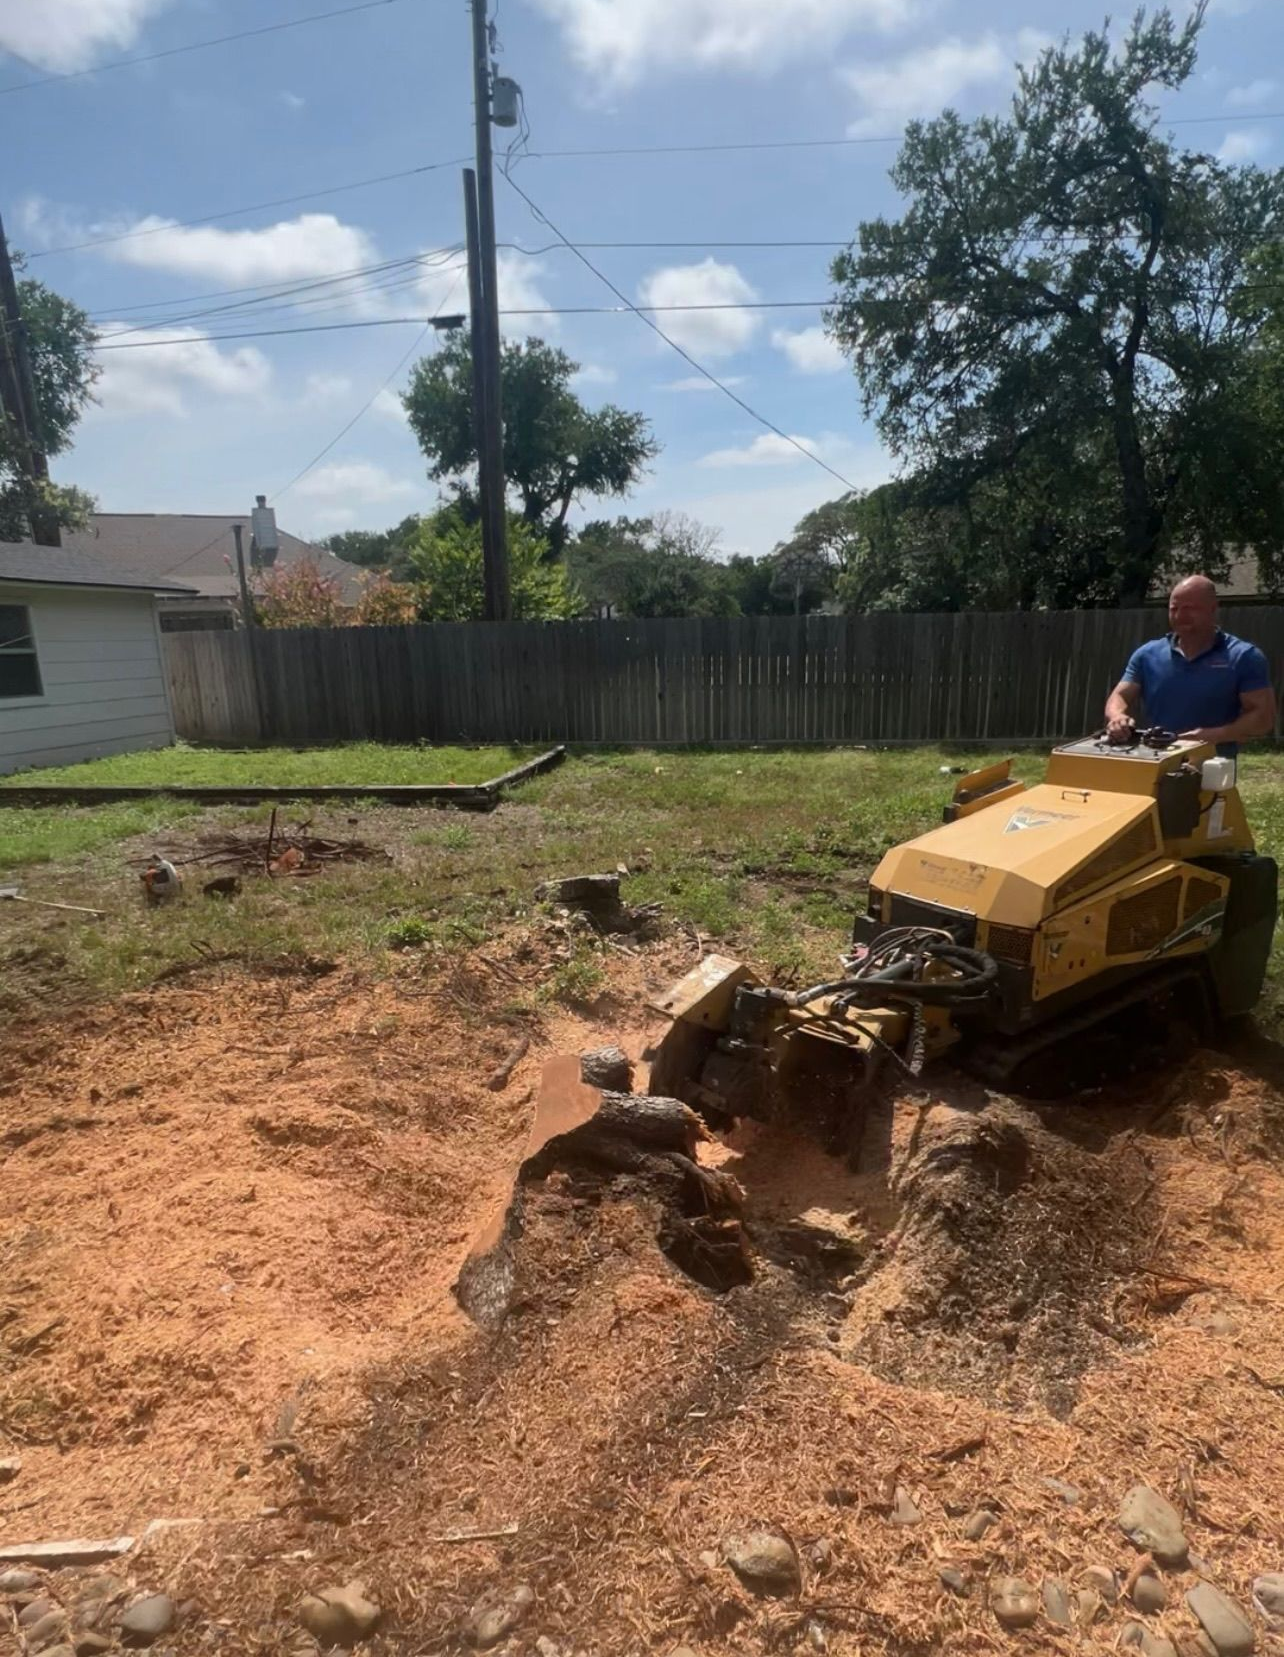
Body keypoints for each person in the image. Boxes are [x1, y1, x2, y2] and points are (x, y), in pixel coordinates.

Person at [1104, 574, 1276, 756]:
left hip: (1213, 768)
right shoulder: (1148, 655)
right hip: (1156, 761)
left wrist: (1214, 736)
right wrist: (1116, 716)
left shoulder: (1243, 657)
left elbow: (1263, 718)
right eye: (1174, 609)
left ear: (1213, 609)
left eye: (1189, 608)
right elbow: (1120, 695)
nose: (1180, 616)